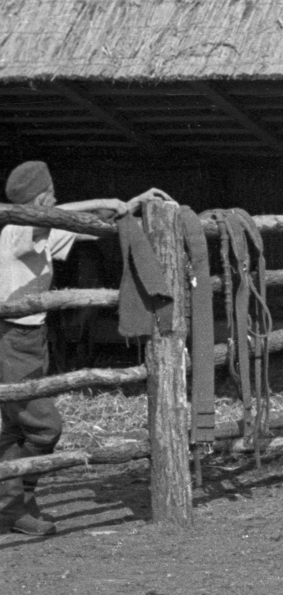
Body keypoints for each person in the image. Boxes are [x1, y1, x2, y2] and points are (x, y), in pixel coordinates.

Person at [1, 161, 169, 535]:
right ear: (42, 196)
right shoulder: (16, 230)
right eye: (52, 191)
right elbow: (57, 215)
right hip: (10, 338)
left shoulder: (40, 229)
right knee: (45, 428)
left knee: (14, 428)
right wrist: (106, 198)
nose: (57, 197)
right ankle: (10, 500)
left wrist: (131, 204)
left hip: (30, 336)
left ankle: (14, 507)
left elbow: (90, 230)